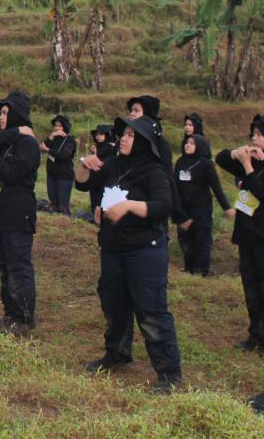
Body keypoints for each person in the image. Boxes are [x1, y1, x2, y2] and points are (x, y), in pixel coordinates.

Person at [75, 116, 183, 392]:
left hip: (143, 251)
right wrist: (84, 167)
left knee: (151, 311)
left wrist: (130, 207)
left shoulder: (154, 172)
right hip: (112, 248)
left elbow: (163, 206)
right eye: (123, 134)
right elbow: (84, 184)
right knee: (114, 304)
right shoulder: (114, 164)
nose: (122, 138)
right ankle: (117, 353)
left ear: (145, 143)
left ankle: (169, 375)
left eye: (131, 135)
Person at [215, 114, 264, 357]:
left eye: (259, 135)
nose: (254, 138)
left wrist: (248, 167)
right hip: (249, 237)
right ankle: (256, 334)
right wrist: (238, 154)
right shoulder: (252, 159)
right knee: (253, 288)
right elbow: (220, 158)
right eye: (254, 134)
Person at [0, 91, 41, 335]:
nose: (1, 117)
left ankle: (24, 317)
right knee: (2, 265)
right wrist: (11, 134)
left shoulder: (29, 145)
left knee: (18, 266)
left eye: (6, 113)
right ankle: (10, 313)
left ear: (17, 115)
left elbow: (11, 174)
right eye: (0, 112)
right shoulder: (6, 139)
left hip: (17, 213)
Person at [126, 95, 191, 234]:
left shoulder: (160, 144)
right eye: (131, 110)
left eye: (136, 110)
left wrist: (178, 214)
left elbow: (168, 179)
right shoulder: (124, 142)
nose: (131, 113)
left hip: (151, 213)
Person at [175, 134, 232, 276]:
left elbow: (216, 187)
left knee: (201, 240)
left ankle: (200, 271)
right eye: (187, 142)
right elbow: (174, 186)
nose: (188, 145)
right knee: (185, 239)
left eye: (192, 143)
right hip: (184, 209)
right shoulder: (180, 162)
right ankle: (189, 267)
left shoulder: (206, 164)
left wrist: (227, 207)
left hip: (201, 209)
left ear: (200, 146)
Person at [40, 115, 76, 215]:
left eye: (60, 126)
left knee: (63, 205)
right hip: (51, 175)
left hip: (64, 177)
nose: (57, 128)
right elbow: (42, 147)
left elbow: (64, 155)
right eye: (56, 126)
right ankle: (57, 220)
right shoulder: (53, 138)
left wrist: (48, 150)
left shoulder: (70, 140)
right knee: (53, 203)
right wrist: (50, 137)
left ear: (65, 127)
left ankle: (66, 223)